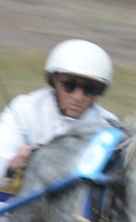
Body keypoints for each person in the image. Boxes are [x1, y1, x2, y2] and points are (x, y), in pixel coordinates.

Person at [0, 39, 119, 194]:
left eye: (90, 89)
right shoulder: (25, 108)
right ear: (54, 81)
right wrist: (12, 166)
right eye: (69, 85)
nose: (78, 97)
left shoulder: (108, 128)